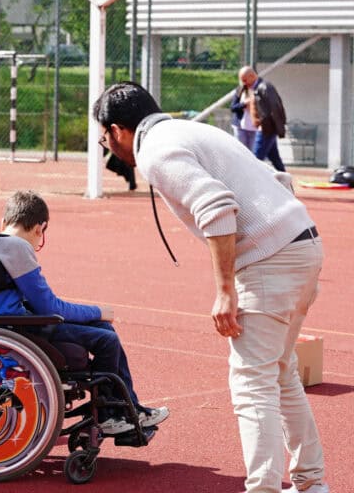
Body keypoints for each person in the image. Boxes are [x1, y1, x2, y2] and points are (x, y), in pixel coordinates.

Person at [93, 81, 327, 493]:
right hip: (302, 243)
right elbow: (277, 179)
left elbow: (217, 208)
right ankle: (310, 483)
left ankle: (266, 488)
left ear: (117, 130)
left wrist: (225, 290)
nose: (108, 149)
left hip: (270, 258)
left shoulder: (157, 150)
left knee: (252, 382)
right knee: (279, 372)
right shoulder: (192, 130)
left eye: (103, 140)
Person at [0, 190, 168, 435]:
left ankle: (130, 409)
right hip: (16, 330)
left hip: (4, 324)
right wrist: (98, 310)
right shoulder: (17, 247)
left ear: (4, 222)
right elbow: (50, 308)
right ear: (40, 228)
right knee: (107, 338)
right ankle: (108, 415)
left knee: (103, 330)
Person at [239, 66, 288, 172]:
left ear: (252, 76)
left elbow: (275, 108)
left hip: (266, 129)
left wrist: (266, 125)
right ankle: (286, 183)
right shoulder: (256, 88)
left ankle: (252, 185)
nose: (243, 83)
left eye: (244, 80)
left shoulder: (265, 87)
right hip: (266, 128)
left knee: (256, 160)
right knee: (275, 158)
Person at [229, 81, 258, 151]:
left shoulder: (259, 90)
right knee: (241, 150)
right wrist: (244, 104)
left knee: (251, 151)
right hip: (240, 126)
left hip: (253, 127)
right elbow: (233, 107)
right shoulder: (240, 90)